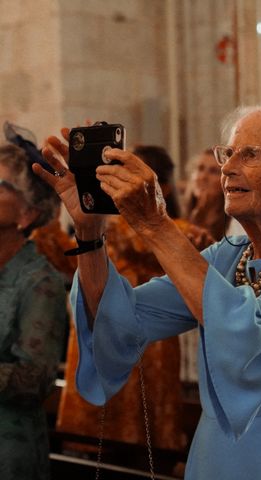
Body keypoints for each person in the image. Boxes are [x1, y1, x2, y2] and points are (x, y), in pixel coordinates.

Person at [35, 104, 261, 480]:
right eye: (228, 153)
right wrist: (90, 233)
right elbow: (118, 321)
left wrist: (156, 224)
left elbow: (253, 338)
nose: (228, 167)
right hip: (219, 459)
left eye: (251, 154)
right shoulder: (226, 257)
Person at [55, 145, 207, 454]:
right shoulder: (103, 223)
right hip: (100, 323)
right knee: (91, 446)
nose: (121, 180)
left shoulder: (181, 232)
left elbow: (131, 236)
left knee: (144, 446)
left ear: (160, 186)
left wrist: (101, 203)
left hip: (150, 337)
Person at [0, 140, 67, 480]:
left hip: (8, 449)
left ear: (27, 213)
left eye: (1, 185)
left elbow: (34, 381)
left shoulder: (41, 282)